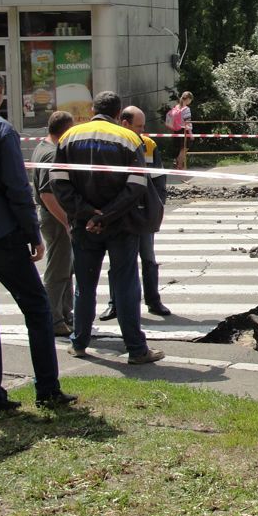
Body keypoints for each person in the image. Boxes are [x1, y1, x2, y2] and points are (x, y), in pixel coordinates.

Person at [0, 66, 76, 413]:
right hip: (1, 235)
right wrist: (32, 232)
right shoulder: (1, 130)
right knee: (37, 308)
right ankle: (48, 389)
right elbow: (17, 187)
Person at [51, 91, 164, 365]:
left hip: (84, 226)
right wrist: (107, 215)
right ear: (118, 113)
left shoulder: (69, 137)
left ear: (92, 110)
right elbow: (136, 187)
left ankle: (79, 343)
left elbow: (58, 182)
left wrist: (88, 213)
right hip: (121, 225)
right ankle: (136, 349)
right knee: (125, 283)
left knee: (85, 284)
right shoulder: (129, 138)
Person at [100, 106, 171, 321]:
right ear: (124, 124)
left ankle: (153, 300)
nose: (142, 131)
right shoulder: (111, 145)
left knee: (148, 257)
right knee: (118, 261)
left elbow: (159, 180)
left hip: (144, 213)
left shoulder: (149, 146)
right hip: (120, 214)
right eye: (138, 127)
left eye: (143, 126)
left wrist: (157, 206)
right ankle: (114, 303)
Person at [31, 111, 75, 337]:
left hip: (51, 216)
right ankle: (53, 318)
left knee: (66, 268)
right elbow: (47, 194)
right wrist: (67, 222)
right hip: (54, 217)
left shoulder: (42, 147)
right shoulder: (51, 154)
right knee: (58, 270)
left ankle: (65, 313)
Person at [172, 91, 193, 170]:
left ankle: (177, 162)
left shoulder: (176, 107)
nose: (190, 102)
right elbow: (187, 122)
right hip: (184, 130)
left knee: (180, 148)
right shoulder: (186, 109)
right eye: (190, 100)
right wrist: (190, 134)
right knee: (184, 148)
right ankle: (179, 164)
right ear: (188, 99)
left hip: (176, 130)